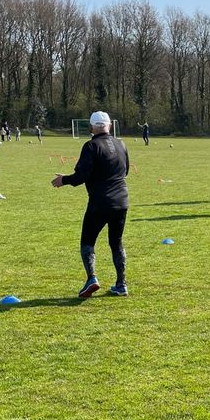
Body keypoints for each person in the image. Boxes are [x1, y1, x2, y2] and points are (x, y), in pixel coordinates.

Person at [52, 111, 131, 298]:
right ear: (109, 125)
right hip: (122, 201)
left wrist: (64, 180)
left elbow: (81, 176)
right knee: (116, 243)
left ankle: (92, 278)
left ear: (91, 127)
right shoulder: (121, 143)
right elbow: (125, 171)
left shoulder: (91, 146)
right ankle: (121, 284)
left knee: (87, 242)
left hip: (100, 202)